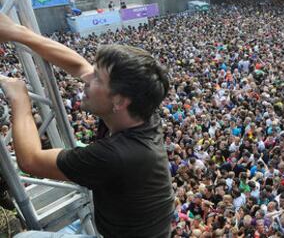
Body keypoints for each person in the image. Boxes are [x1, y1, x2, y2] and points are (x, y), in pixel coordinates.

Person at [0, 14, 174, 237]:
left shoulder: (117, 155)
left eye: (98, 79)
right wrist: (18, 33)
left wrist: (20, 101)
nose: (87, 81)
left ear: (120, 101)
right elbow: (79, 66)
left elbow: (30, 160)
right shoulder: (139, 111)